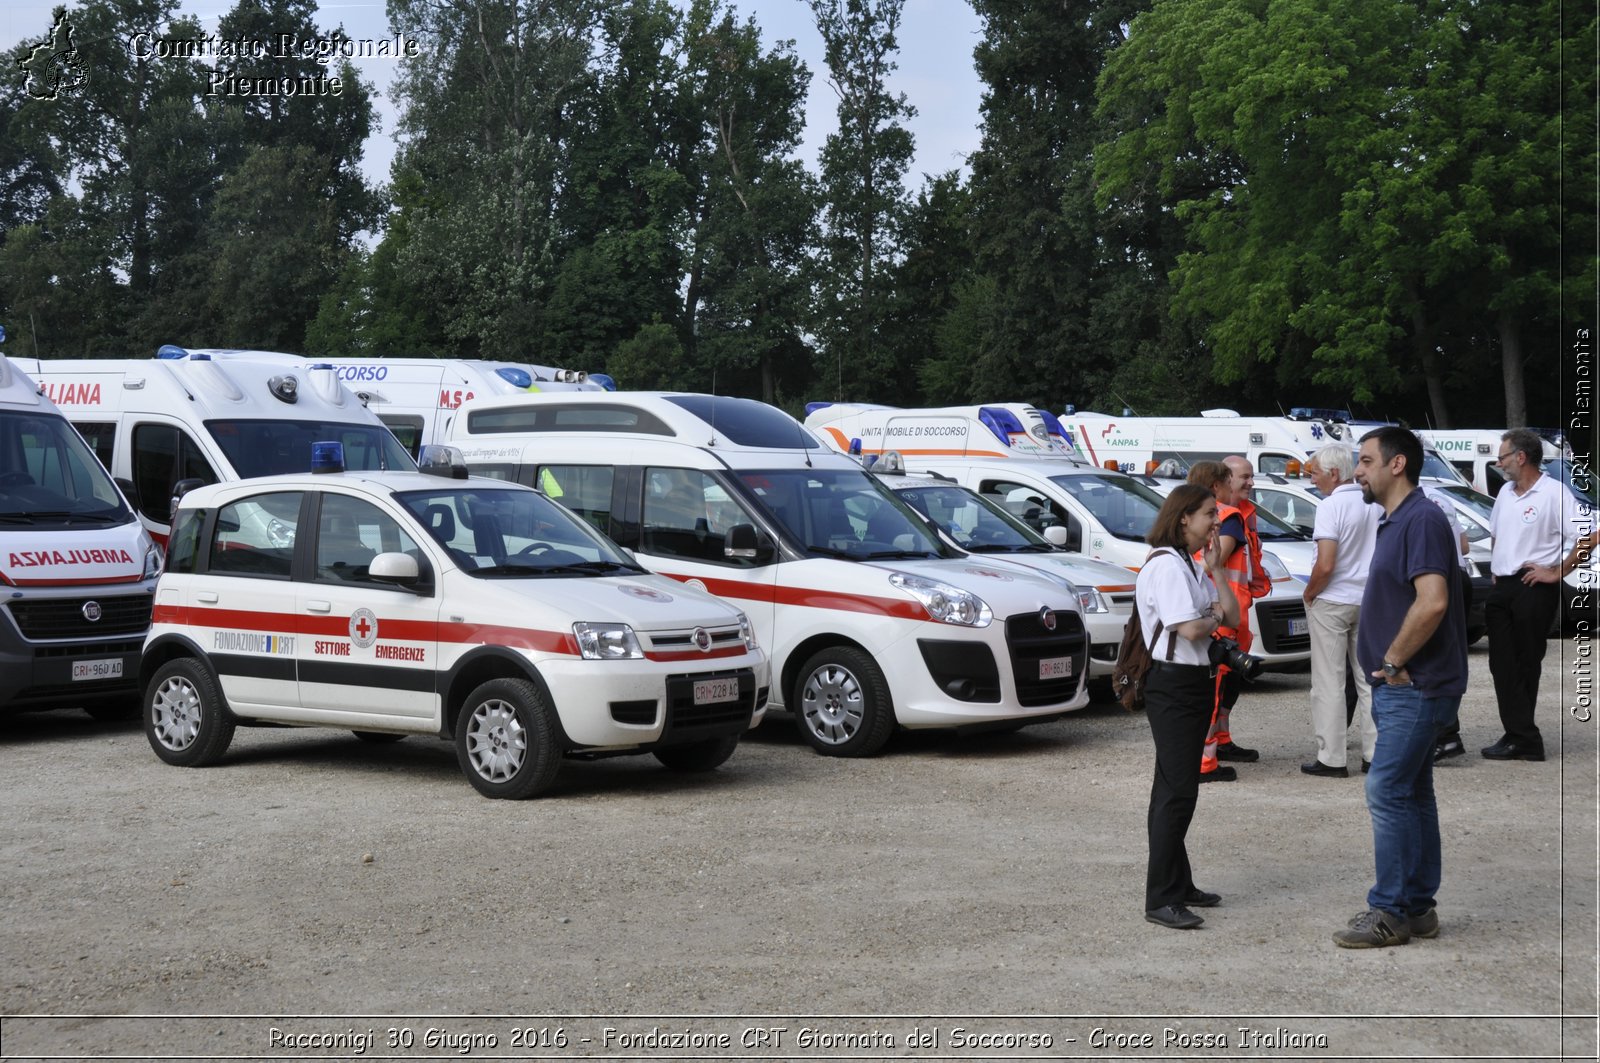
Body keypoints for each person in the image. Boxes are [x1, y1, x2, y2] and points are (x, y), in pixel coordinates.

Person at [1335, 427, 1467, 949]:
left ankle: (1388, 911)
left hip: (1417, 686)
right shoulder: (1396, 521)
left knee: (1386, 789)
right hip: (1409, 687)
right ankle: (1417, 909)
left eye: (1365, 461)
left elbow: (1432, 601)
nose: (1357, 471)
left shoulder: (1422, 519)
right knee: (1412, 792)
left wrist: (1392, 661)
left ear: (1397, 465)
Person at [1136, 483, 1241, 930]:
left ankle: (1178, 884)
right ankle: (1161, 897)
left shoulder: (1190, 564)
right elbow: (1193, 629)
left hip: (1190, 684)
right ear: (1184, 518)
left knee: (1174, 789)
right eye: (1208, 514)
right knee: (1177, 791)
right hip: (1174, 686)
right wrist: (1213, 615)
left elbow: (1233, 616)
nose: (1216, 522)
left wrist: (1217, 572)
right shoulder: (1168, 567)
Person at [1481, 428, 1585, 762]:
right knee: (1501, 663)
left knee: (1526, 661)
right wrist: (1498, 565)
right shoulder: (1505, 494)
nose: (1499, 463)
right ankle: (1519, 734)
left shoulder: (1554, 493)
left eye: (1503, 457)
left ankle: (1523, 738)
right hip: (1504, 586)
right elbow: (1497, 533)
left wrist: (1557, 571)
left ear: (1521, 457)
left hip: (1534, 585)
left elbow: (1588, 535)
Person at [1186, 457, 1270, 781]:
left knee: (1224, 690)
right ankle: (1205, 762)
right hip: (1223, 616)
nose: (1250, 483)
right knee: (1215, 689)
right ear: (1221, 483)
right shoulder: (1229, 518)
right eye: (1243, 477)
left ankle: (1220, 743)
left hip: (1225, 613)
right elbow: (1211, 564)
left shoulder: (1222, 517)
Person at [1301, 444, 1378, 778]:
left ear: (1333, 473)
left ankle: (1332, 757)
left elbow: (1326, 563)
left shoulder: (1331, 506)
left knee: (1329, 680)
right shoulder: (1372, 503)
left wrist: (1310, 592)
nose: (1313, 479)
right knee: (1369, 680)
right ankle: (1376, 754)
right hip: (1369, 598)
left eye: (1315, 473)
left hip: (1333, 599)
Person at [1419, 483, 1475, 761]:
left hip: (1435, 577)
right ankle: (1446, 733)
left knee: (1429, 657)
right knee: (1447, 655)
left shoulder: (1412, 502)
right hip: (1459, 575)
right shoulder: (1440, 497)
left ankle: (1445, 735)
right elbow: (1463, 545)